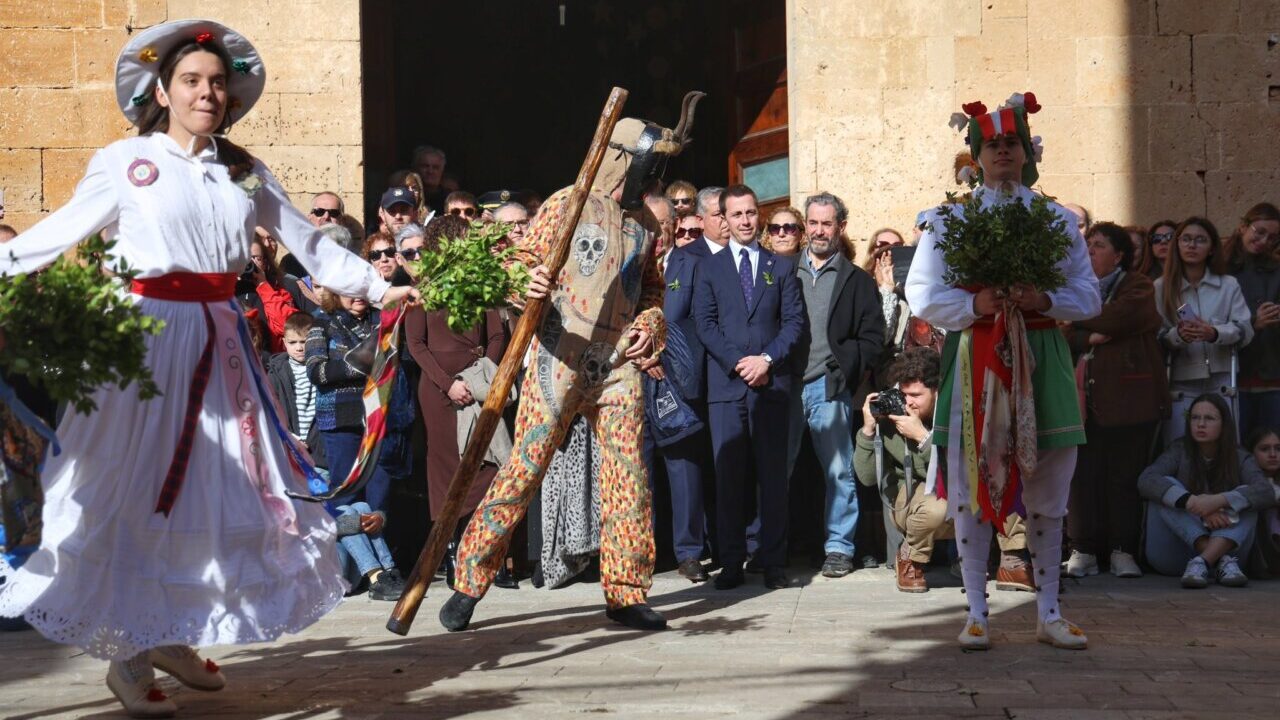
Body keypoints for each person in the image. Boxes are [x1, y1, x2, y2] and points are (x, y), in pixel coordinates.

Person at [0, 20, 419, 718]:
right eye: (192, 81)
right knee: (139, 493)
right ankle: (129, 656)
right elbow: (56, 233)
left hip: (223, 349)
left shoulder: (243, 171)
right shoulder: (124, 163)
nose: (207, 92)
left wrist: (379, 289)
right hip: (146, 350)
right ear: (162, 91)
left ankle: (170, 633)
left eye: (217, 82)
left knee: (218, 493)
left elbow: (305, 239)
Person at [439, 93, 702, 633]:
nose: (655, 180)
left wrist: (649, 324)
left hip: (615, 365)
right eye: (651, 168)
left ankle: (626, 591)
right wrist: (522, 282)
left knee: (628, 473)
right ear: (623, 159)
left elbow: (652, 290)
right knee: (526, 466)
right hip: (558, 356)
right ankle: (469, 579)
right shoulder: (567, 203)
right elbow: (518, 260)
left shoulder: (646, 228)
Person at [906, 92, 1100, 651]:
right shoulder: (949, 220)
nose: (1003, 153)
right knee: (969, 487)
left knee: (1049, 488)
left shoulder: (1056, 221)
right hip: (976, 359)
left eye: (1012, 143)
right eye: (993, 144)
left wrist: (1045, 297)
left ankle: (1050, 611)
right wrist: (976, 306)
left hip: (1042, 359)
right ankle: (975, 613)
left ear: (1027, 152)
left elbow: (1087, 294)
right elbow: (921, 293)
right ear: (977, 154)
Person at [694, 184, 806, 591]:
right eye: (736, 214)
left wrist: (767, 361)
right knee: (729, 479)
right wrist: (737, 363)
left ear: (758, 216)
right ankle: (731, 564)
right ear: (724, 218)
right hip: (726, 388)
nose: (744, 221)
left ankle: (774, 564)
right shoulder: (709, 267)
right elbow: (705, 324)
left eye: (750, 213)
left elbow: (794, 323)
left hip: (770, 385)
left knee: (772, 478)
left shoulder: (780, 267)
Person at [404, 215, 509, 588]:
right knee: (445, 468)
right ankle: (451, 554)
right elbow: (415, 344)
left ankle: (481, 550)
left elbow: (497, 333)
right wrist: (448, 384)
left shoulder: (481, 284)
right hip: (438, 393)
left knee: (488, 465)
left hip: (477, 387)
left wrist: (483, 373)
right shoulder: (423, 286)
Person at [1062, 222, 1168, 578]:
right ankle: (1084, 549)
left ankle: (1122, 550)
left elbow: (1126, 317)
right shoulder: (1075, 288)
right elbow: (1059, 333)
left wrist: (1076, 321)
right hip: (1082, 401)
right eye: (1087, 244)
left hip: (1128, 399)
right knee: (1082, 477)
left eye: (1099, 245)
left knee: (1124, 477)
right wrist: (1086, 336)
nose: (1090, 250)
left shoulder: (1136, 285)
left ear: (1119, 255)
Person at [786, 192, 883, 578]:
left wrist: (843, 370)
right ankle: (773, 547)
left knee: (839, 471)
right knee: (779, 469)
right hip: (787, 387)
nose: (819, 231)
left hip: (829, 388)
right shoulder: (783, 272)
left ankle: (840, 548)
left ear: (840, 228)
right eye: (813, 223)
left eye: (827, 223)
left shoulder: (857, 282)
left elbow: (873, 338)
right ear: (805, 225)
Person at [1139, 393, 1274, 587]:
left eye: (1209, 418)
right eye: (1195, 418)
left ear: (1224, 423)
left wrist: (1217, 501)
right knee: (1166, 486)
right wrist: (1193, 504)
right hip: (1174, 556)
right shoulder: (1179, 449)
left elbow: (1265, 492)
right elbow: (1146, 480)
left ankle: (1202, 561)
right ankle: (1214, 559)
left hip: (1232, 561)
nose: (1200, 424)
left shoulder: (1240, 456)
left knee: (1249, 494)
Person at [307, 289, 414, 514]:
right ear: (335, 293)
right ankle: (345, 550)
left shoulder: (382, 320)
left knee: (379, 499)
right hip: (341, 421)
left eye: (362, 291)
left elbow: (399, 360)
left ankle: (380, 549)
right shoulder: (322, 323)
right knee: (345, 498)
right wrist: (361, 365)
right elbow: (317, 371)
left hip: (380, 418)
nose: (358, 297)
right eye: (349, 291)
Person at [854, 347, 951, 592]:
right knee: (937, 506)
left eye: (916, 395)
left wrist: (923, 437)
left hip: (953, 490)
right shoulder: (891, 418)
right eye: (904, 393)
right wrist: (867, 431)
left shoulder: (953, 415)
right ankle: (910, 558)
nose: (908, 402)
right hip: (908, 502)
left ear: (937, 392)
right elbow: (866, 479)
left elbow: (957, 472)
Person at [1154, 217, 1254, 444]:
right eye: (1186, 239)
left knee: (1224, 444)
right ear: (1177, 245)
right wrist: (1178, 336)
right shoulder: (1161, 287)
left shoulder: (1228, 285)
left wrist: (1214, 333)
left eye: (1200, 240)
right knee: (1179, 444)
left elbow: (1244, 329)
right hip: (1180, 381)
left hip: (1221, 380)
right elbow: (1157, 335)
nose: (1192, 245)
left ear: (1211, 249)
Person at [1226, 203, 1280, 437]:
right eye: (1259, 232)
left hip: (1271, 373)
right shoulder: (1221, 269)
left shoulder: (1276, 271)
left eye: (1272, 237)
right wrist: (1253, 324)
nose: (1264, 241)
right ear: (1243, 227)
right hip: (1233, 373)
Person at [267, 312, 324, 465]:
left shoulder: (324, 368)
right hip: (289, 449)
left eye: (304, 341)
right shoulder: (276, 373)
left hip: (321, 452)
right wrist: (291, 437)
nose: (299, 348)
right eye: (292, 342)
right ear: (284, 342)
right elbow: (271, 409)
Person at [1244, 426, 1280, 577]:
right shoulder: (1244, 481)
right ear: (1251, 454)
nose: (1273, 454)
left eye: (1278, 449)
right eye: (1265, 449)